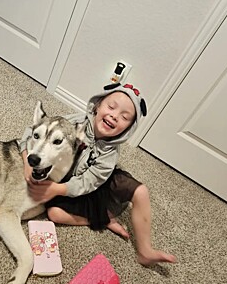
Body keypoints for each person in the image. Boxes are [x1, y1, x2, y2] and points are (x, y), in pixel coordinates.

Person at [19, 83, 176, 266]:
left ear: (128, 129)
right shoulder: (75, 123)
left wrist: (57, 188)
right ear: (97, 106)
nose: (114, 116)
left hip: (92, 181)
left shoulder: (110, 154)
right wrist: (25, 160)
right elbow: (32, 130)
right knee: (54, 214)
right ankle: (102, 219)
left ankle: (145, 250)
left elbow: (88, 182)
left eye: (124, 117)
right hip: (69, 179)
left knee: (141, 192)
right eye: (111, 107)